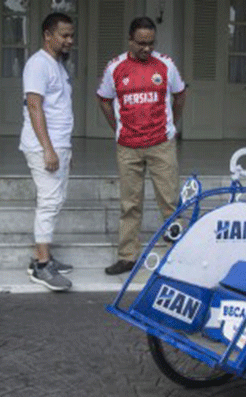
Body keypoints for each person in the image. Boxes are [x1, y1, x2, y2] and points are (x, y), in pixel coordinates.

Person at [97, 16, 186, 275]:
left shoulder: (166, 65)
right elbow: (103, 99)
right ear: (130, 41)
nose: (146, 48)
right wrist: (118, 127)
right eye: (141, 43)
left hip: (161, 144)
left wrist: (171, 124)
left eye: (150, 43)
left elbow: (180, 94)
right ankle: (127, 256)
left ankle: (180, 254)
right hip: (128, 146)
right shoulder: (115, 67)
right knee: (130, 204)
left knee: (169, 200)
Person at [20, 12, 75, 291]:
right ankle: (42, 266)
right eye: (64, 35)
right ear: (47, 35)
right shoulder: (38, 64)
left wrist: (64, 149)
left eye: (71, 35)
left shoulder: (57, 65)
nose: (69, 40)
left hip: (58, 145)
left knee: (56, 199)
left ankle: (43, 256)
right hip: (44, 146)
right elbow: (34, 106)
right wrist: (49, 150)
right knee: (50, 201)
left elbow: (58, 109)